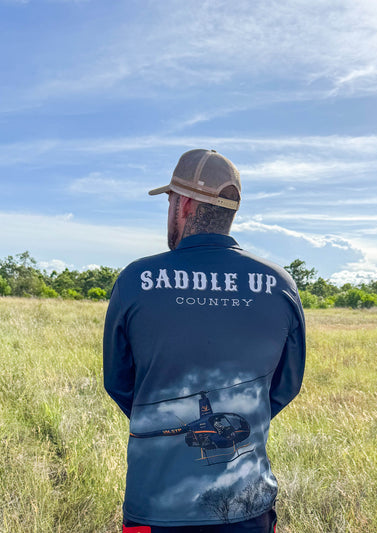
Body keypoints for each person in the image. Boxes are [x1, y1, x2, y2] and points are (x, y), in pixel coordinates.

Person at [103, 149, 306, 533]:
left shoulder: (136, 280)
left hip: (156, 508)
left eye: (169, 201)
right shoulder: (280, 285)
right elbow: (285, 386)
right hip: (248, 510)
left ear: (184, 205)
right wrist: (245, 411)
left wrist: (158, 413)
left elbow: (118, 383)